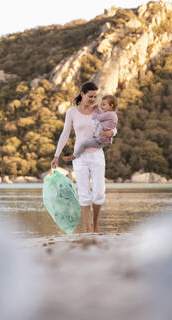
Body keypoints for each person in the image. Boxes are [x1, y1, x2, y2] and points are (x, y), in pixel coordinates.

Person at [50, 82, 116, 233]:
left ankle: (95, 223)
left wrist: (112, 133)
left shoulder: (98, 111)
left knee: (99, 192)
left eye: (95, 96)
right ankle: (88, 229)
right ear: (82, 94)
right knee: (84, 194)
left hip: (97, 155)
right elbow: (65, 134)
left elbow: (113, 124)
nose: (93, 99)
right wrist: (56, 155)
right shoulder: (71, 112)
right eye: (90, 96)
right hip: (79, 159)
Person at [62, 94, 118, 161]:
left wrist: (95, 110)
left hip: (101, 139)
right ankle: (76, 156)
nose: (102, 106)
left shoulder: (109, 114)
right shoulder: (113, 114)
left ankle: (74, 156)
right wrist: (98, 110)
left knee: (84, 143)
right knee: (86, 141)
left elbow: (96, 118)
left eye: (104, 105)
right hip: (103, 140)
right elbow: (102, 116)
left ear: (111, 106)